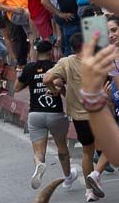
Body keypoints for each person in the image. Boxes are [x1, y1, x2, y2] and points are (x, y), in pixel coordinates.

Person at [43, 33, 102, 202]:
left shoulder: (66, 62)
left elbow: (47, 78)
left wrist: (54, 90)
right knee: (109, 149)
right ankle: (96, 175)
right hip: (98, 112)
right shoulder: (95, 59)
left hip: (78, 115)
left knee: (87, 152)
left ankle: (89, 191)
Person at [15, 39, 75, 190]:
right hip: (55, 113)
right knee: (62, 147)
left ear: (36, 52)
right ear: (51, 52)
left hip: (35, 114)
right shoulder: (56, 67)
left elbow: (16, 88)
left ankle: (39, 164)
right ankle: (68, 178)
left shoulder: (29, 68)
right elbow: (61, 85)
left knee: (38, 151)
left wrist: (26, 78)